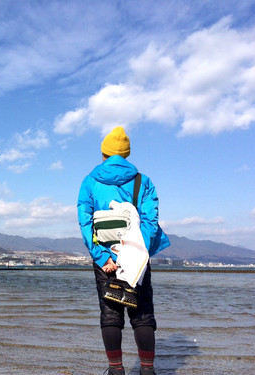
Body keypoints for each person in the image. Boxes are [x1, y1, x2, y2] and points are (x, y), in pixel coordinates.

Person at [77, 126, 170, 375]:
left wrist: (102, 256)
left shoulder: (90, 181)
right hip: (136, 257)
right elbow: (151, 222)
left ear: (104, 153)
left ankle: (116, 370)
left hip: (105, 260)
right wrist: (138, 252)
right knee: (141, 313)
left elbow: (85, 222)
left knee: (110, 314)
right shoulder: (143, 181)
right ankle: (148, 370)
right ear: (126, 154)